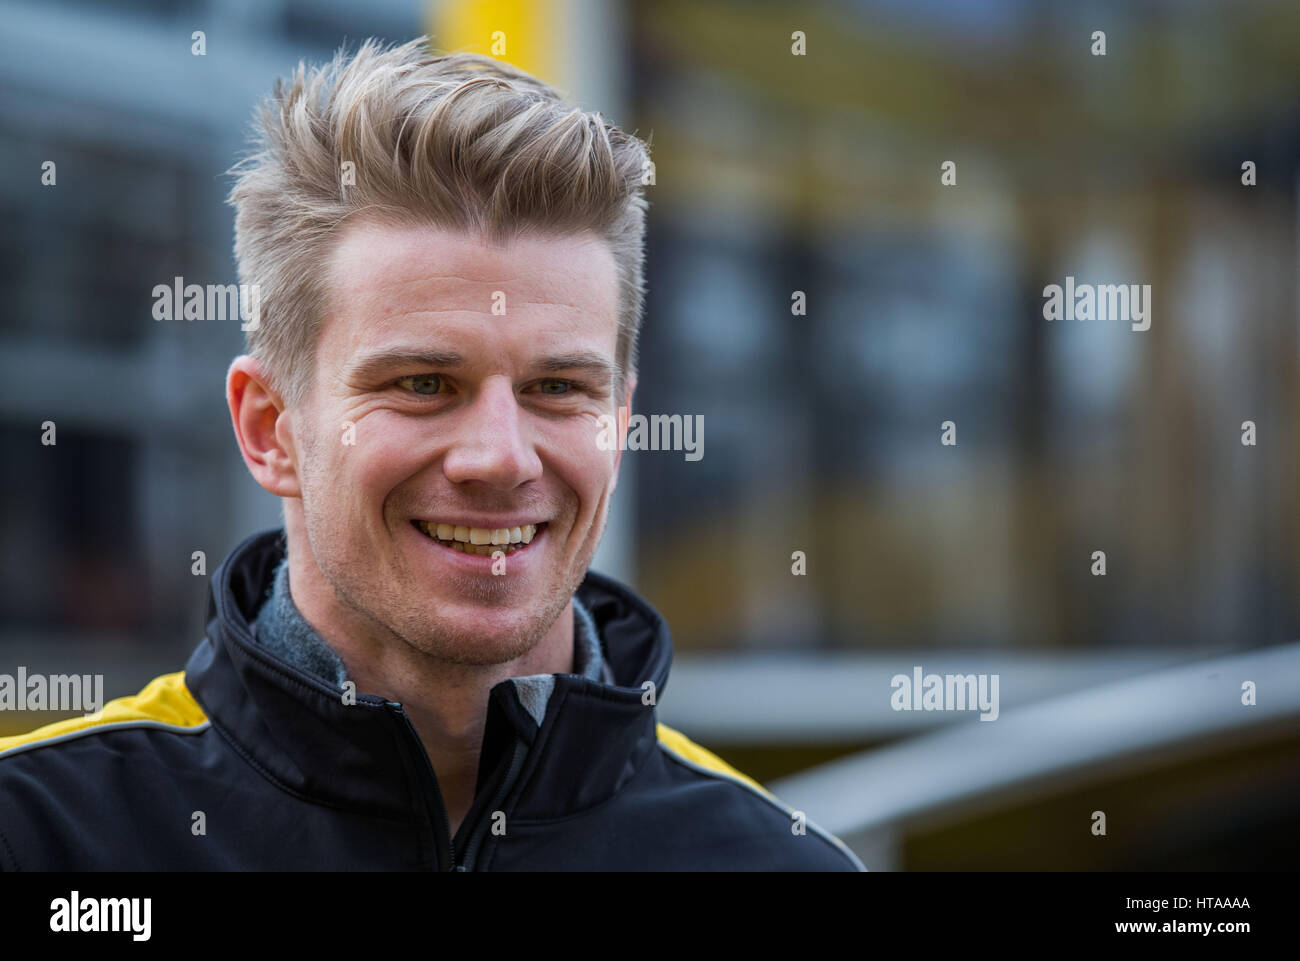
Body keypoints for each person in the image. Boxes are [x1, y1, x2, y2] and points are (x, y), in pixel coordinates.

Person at [0, 38, 863, 871]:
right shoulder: (40, 835)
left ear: (621, 421)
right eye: (421, 384)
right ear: (271, 428)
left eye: (558, 388)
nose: (499, 457)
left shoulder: (774, 859)